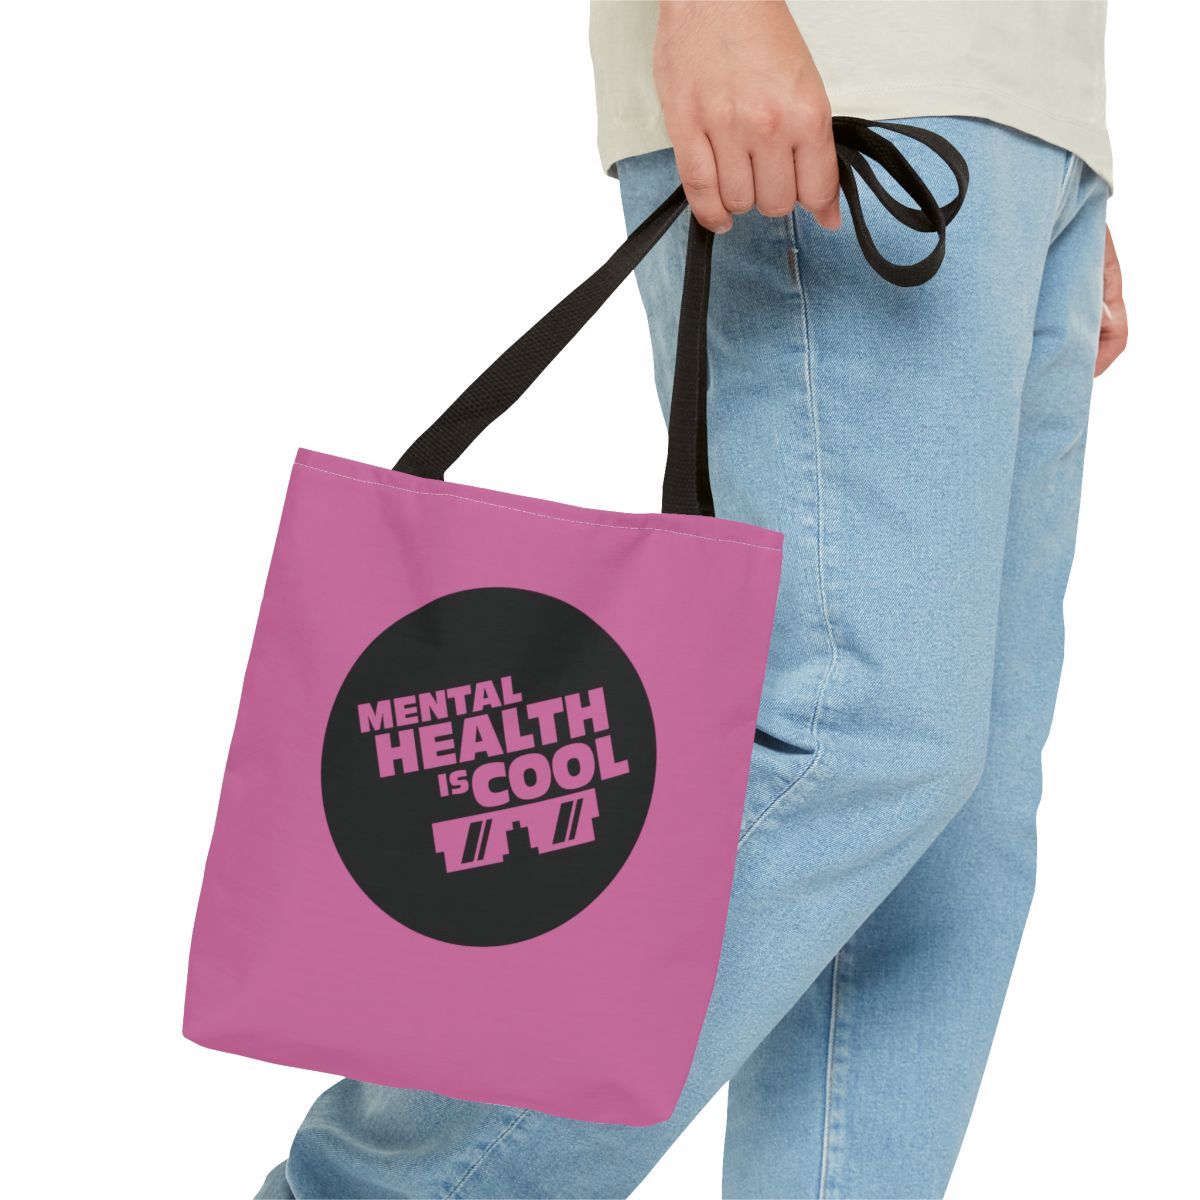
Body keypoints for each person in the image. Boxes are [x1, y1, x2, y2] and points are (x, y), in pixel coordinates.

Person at [257, 3, 1127, 1196]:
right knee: (854, 739)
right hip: (846, 72)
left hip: (1019, 119)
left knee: (951, 844)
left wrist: (1054, 146)